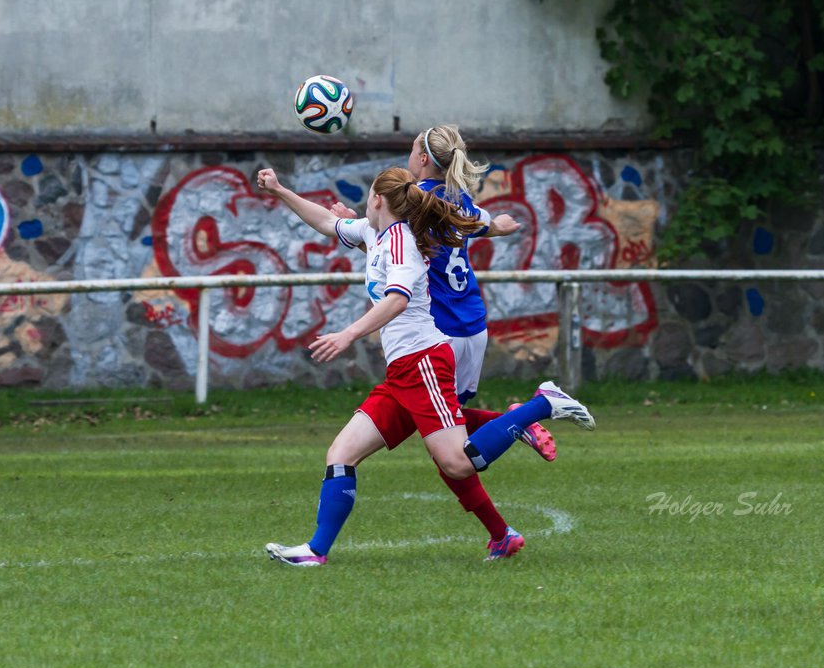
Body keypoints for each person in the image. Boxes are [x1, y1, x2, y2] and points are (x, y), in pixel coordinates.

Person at [255, 166, 595, 567]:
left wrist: (347, 335)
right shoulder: (374, 232)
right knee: (341, 452)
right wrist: (280, 191)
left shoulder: (402, 244)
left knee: (456, 462)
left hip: (424, 362)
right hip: (402, 372)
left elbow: (398, 299)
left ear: (378, 200)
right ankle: (315, 551)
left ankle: (540, 404)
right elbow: (328, 223)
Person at [331, 125, 551, 559]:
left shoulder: (414, 201)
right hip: (473, 325)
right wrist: (499, 228)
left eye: (413, 147)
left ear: (422, 159)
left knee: (446, 443)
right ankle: (501, 526)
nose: (409, 153)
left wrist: (361, 223)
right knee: (443, 427)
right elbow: (476, 225)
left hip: (436, 330)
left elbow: (396, 248)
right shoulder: (456, 199)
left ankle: (521, 416)